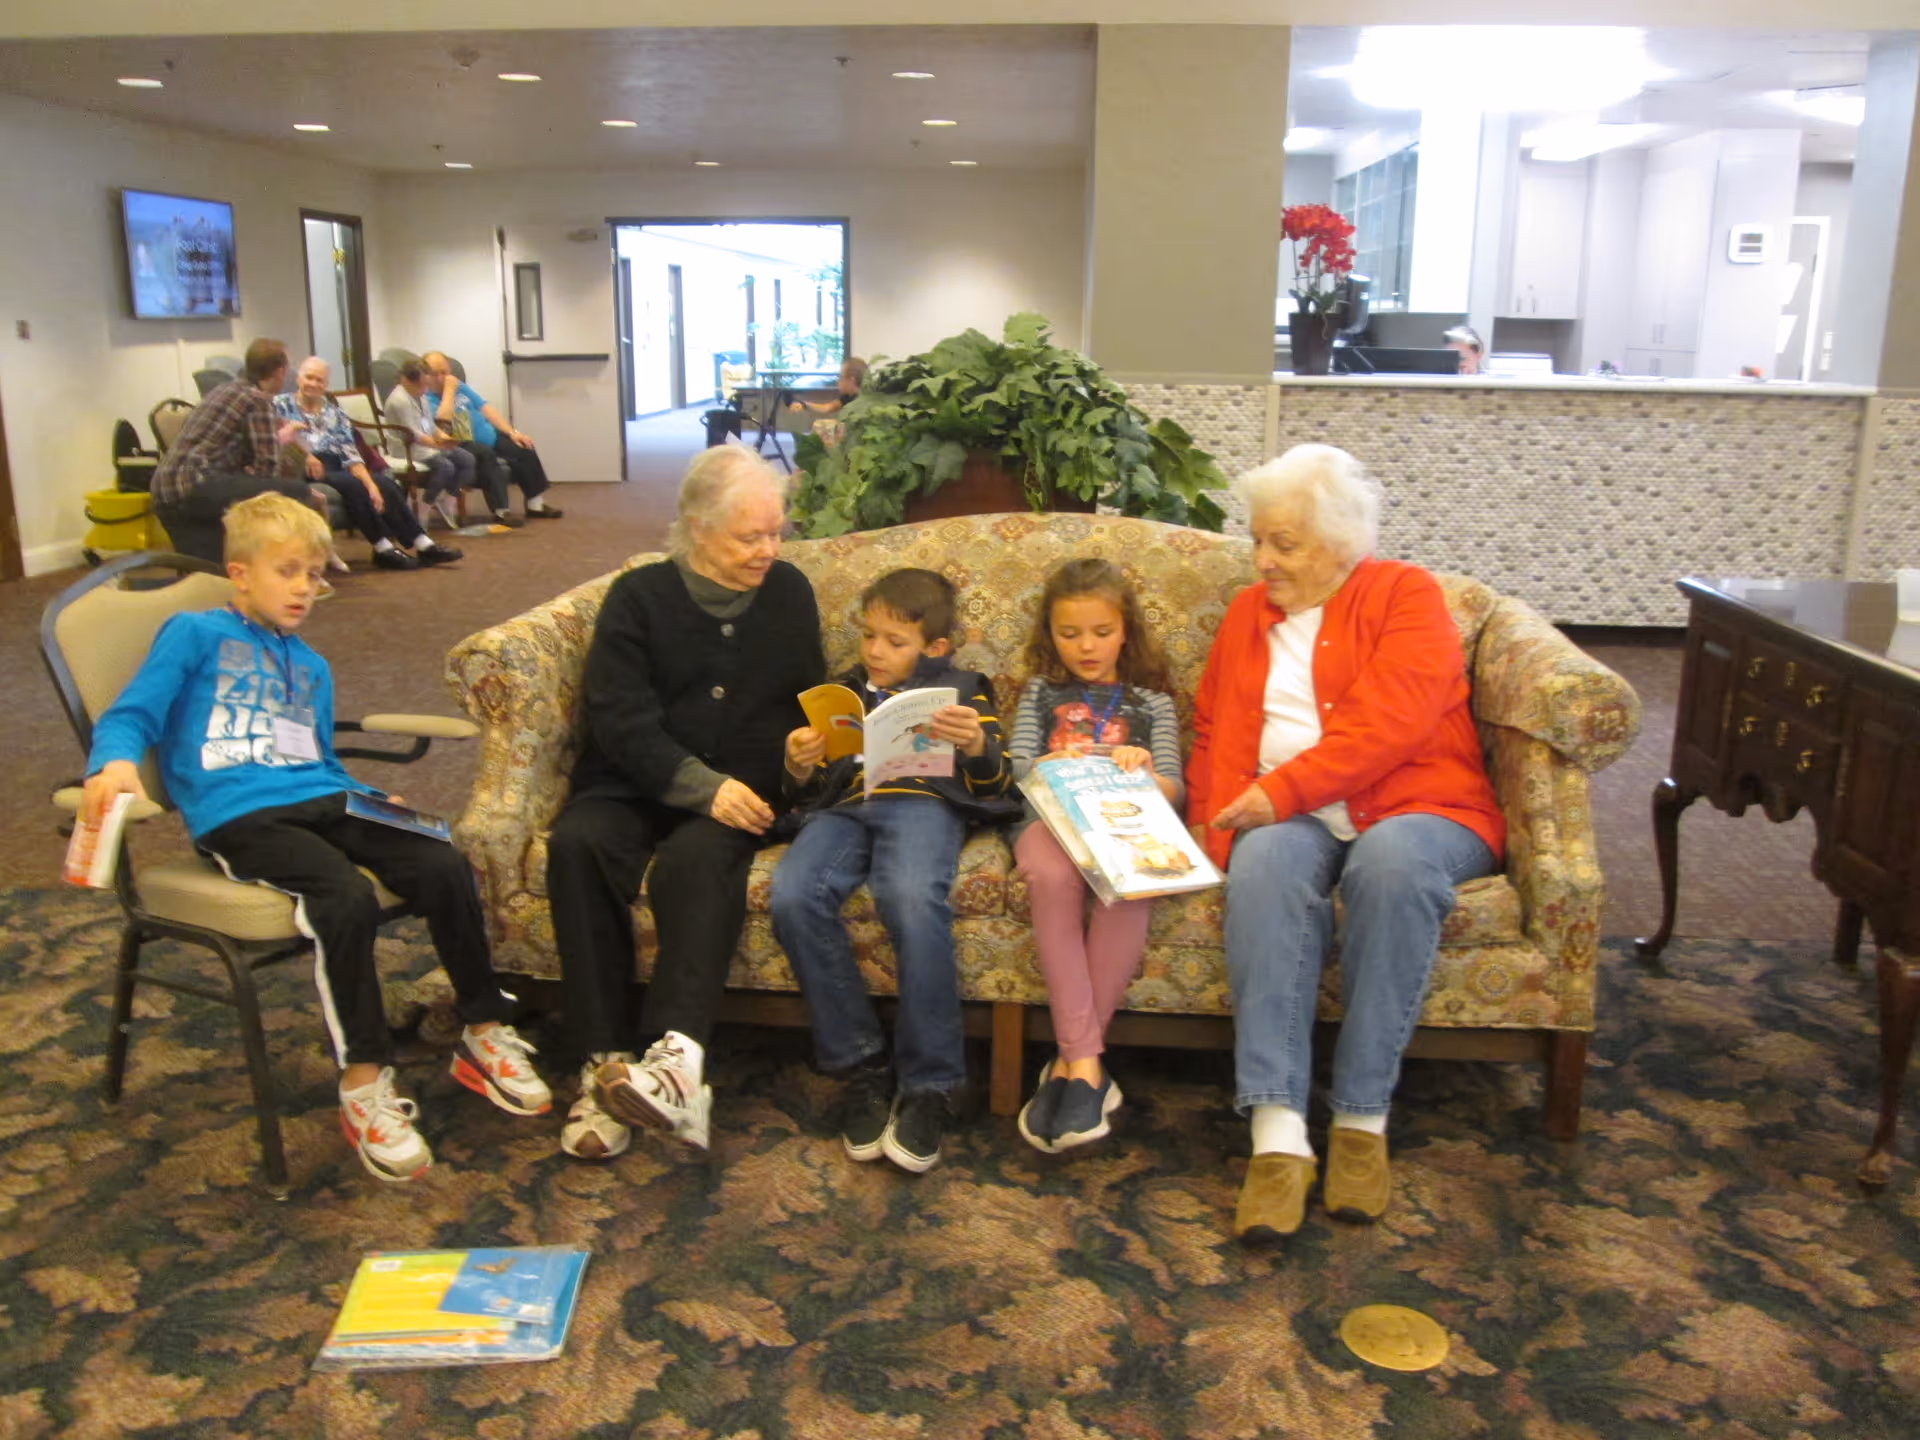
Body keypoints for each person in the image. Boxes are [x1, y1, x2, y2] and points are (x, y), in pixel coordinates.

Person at [80, 493, 551, 1182]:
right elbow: (131, 715)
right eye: (287, 572)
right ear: (239, 574)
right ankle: (362, 1085)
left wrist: (364, 798)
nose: (304, 587)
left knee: (442, 858)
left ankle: (481, 1029)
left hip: (325, 797)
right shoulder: (193, 633)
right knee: (342, 898)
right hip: (239, 814)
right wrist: (114, 761)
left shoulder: (311, 666)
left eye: (314, 573)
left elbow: (315, 759)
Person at [1187, 444, 1504, 1242]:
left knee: (1392, 870)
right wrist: (1209, 831)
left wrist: (1277, 792)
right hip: (1279, 814)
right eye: (1257, 539)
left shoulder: (1405, 594)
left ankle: (1362, 1120)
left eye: (1282, 545)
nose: (1262, 560)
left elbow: (1388, 726)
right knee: (1260, 866)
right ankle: (1278, 1134)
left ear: (1339, 543)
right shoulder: (1243, 615)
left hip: (1419, 804)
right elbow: (1213, 731)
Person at [548, 448, 823, 1160]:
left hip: (742, 794)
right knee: (579, 843)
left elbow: (797, 709)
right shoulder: (637, 598)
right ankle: (600, 1066)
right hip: (638, 780)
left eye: (775, 533)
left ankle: (674, 1064)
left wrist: (794, 764)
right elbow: (619, 719)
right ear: (697, 528)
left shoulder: (789, 593)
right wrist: (702, 785)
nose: (768, 550)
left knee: (696, 861)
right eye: (748, 537)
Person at [770, 568, 1015, 1174]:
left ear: (935, 648)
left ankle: (931, 1084)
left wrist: (976, 746)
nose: (876, 651)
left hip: (922, 803)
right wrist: (797, 766)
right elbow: (800, 792)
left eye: (894, 642)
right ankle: (862, 1065)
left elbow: (1000, 782)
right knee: (794, 893)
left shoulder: (961, 687)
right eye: (869, 636)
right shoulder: (844, 691)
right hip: (846, 806)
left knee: (909, 895)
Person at [1006, 559, 1184, 1153]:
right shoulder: (1040, 693)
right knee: (1051, 877)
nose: (1086, 646)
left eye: (1101, 633)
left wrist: (1144, 770)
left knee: (1132, 885)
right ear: (1049, 634)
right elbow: (1017, 771)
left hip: (1123, 825)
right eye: (1070, 633)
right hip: (1050, 822)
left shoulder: (1151, 703)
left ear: (1125, 630)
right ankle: (1086, 1067)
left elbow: (1174, 790)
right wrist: (1047, 767)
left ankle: (1072, 1065)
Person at [273, 357, 463, 571]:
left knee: (386, 485)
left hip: (338, 465)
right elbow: (277, 440)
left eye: (320, 380)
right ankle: (382, 548)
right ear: (298, 378)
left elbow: (349, 450)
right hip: (303, 466)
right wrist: (305, 455)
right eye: (309, 378)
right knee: (355, 485)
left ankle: (423, 544)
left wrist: (372, 484)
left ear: (326, 384)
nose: (314, 384)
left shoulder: (334, 412)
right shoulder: (280, 405)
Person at [149, 338, 316, 564]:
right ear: (279, 371)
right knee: (297, 492)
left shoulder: (224, 390)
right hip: (196, 485)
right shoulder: (257, 400)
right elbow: (268, 468)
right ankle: (295, 568)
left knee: (211, 573)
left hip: (165, 488)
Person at [421, 351, 562, 525]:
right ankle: (501, 512)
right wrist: (449, 391)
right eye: (435, 374)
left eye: (445, 372)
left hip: (490, 435)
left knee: (524, 447)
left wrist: (512, 432)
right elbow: (442, 421)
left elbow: (485, 408)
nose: (442, 378)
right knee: (487, 455)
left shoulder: (461, 387)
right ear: (425, 376)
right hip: (463, 442)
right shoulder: (426, 398)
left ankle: (536, 506)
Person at [381, 358, 480, 529]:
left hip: (426, 444)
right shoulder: (399, 400)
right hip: (407, 447)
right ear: (406, 380)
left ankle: (447, 497)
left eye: (426, 385)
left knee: (467, 459)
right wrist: (438, 445)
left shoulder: (420, 397)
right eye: (421, 386)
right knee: (446, 466)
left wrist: (444, 438)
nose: (424, 390)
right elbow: (414, 433)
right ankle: (425, 506)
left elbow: (428, 426)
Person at [785, 356, 868, 417]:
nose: (838, 381)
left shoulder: (869, 401)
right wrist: (804, 404)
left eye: (841, 377)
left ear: (851, 380)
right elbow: (828, 407)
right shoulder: (848, 396)